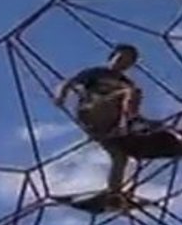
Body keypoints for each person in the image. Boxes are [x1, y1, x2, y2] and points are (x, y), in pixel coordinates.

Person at [54, 44, 144, 195]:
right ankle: (127, 126)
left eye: (128, 62)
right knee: (130, 92)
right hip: (94, 109)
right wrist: (61, 95)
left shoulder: (127, 83)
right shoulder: (97, 73)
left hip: (111, 124)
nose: (123, 63)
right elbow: (68, 83)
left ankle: (114, 191)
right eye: (120, 58)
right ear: (112, 57)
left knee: (120, 157)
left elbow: (132, 106)